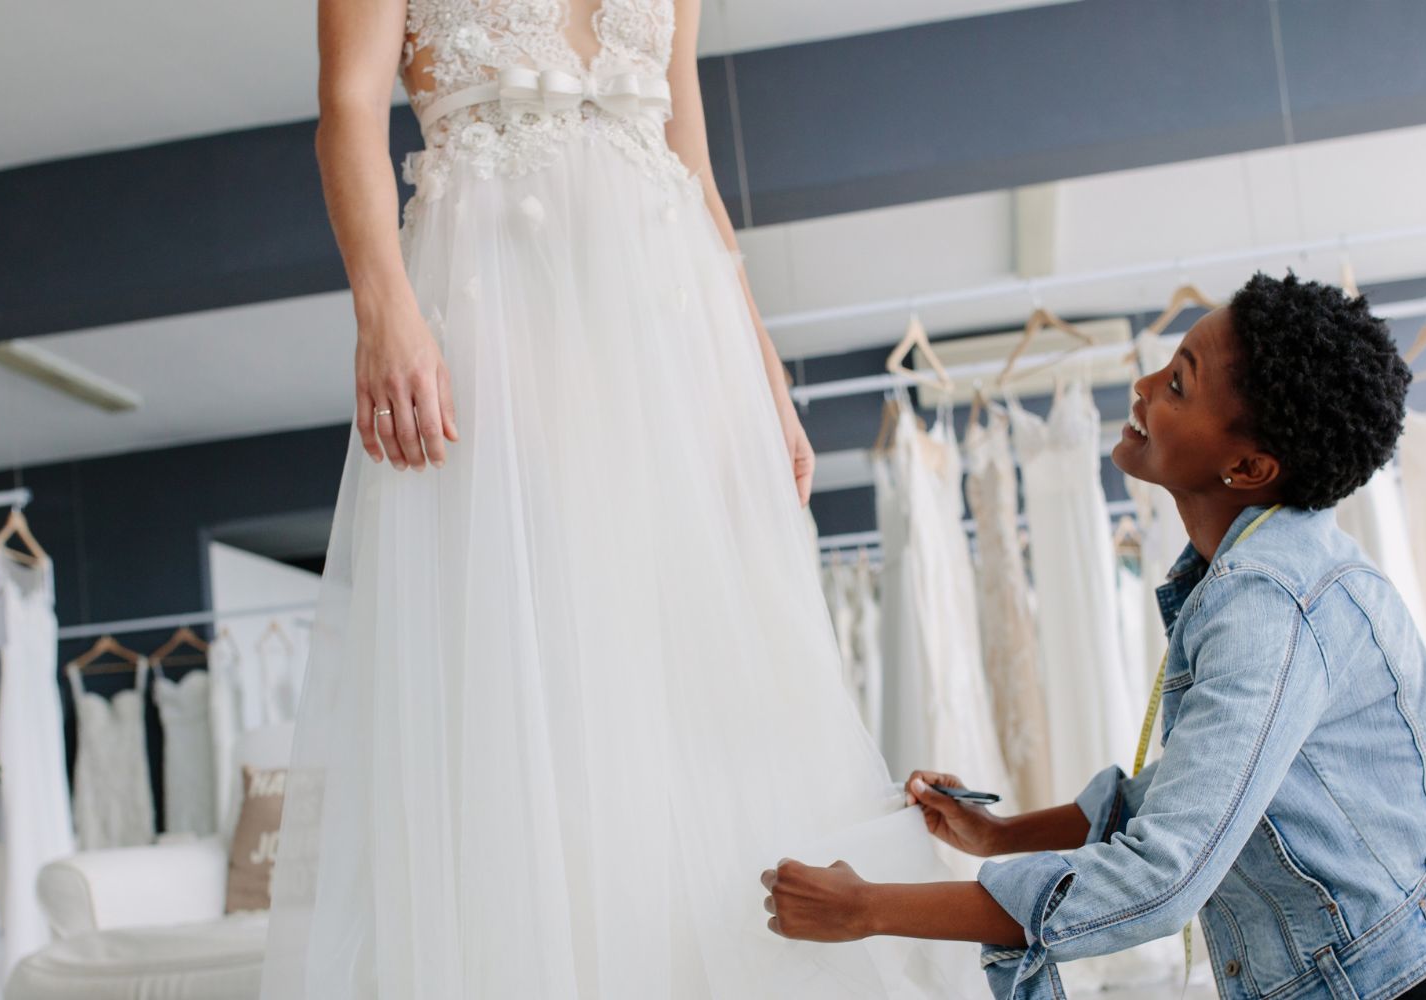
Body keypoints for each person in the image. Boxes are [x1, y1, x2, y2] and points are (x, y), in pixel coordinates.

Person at [261, 0, 978, 997]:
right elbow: (345, 110)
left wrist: (765, 378)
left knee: (706, 666)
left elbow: (692, 167)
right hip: (496, 310)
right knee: (538, 659)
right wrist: (381, 309)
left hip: (673, 335)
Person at [764, 274, 1426, 1000]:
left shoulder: (1266, 603)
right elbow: (1187, 794)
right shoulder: (1248, 568)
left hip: (1425, 982)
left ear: (1247, 464)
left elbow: (1161, 880)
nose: (1139, 390)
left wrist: (867, 908)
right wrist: (998, 833)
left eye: (1176, 384)